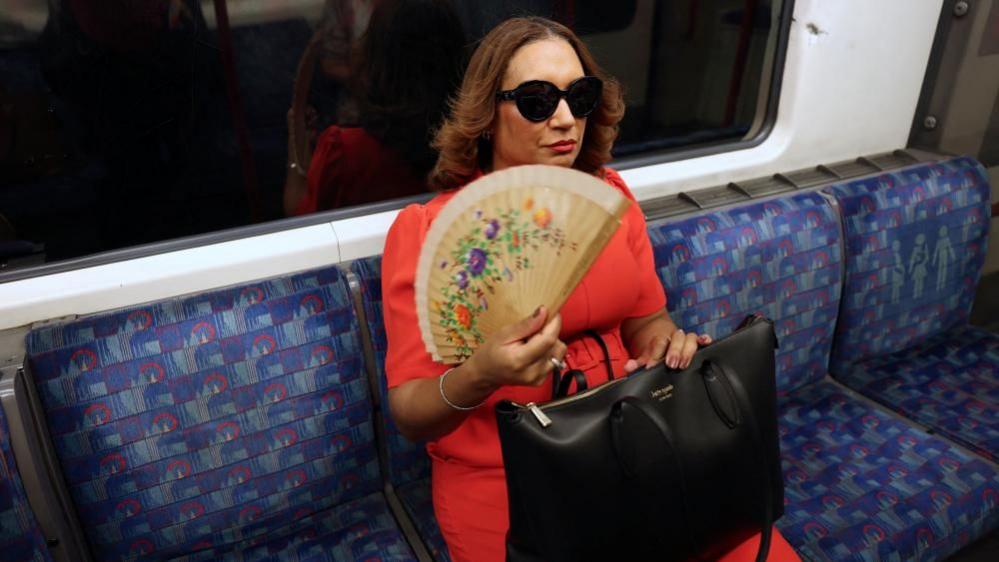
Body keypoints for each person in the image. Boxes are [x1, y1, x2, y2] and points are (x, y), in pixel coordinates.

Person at [381, 16, 801, 562]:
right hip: (506, 478)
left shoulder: (608, 197)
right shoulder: (427, 232)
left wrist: (664, 345)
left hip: (633, 441)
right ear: (486, 116)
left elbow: (648, 320)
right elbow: (410, 415)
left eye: (579, 96)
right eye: (536, 100)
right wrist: (481, 374)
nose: (565, 119)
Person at [283, 0, 466, 215]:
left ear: (377, 60)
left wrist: (296, 147)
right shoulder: (472, 142)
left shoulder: (347, 152)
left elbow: (299, 217)